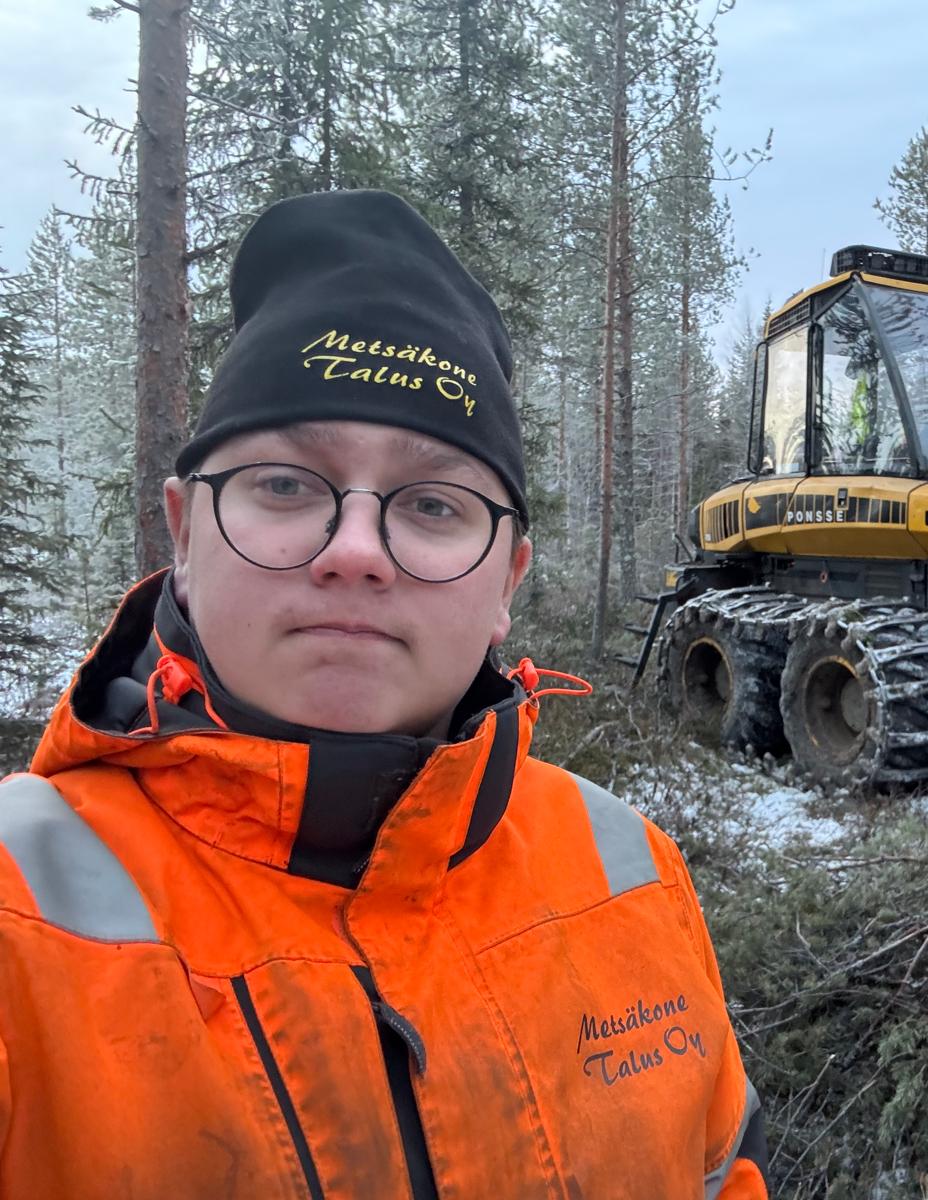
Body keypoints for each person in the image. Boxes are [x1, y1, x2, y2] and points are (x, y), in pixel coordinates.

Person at [0, 190, 769, 1199]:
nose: (357, 551)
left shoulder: (631, 872)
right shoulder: (23, 920)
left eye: (435, 504)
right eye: (285, 484)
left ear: (507, 581)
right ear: (183, 535)